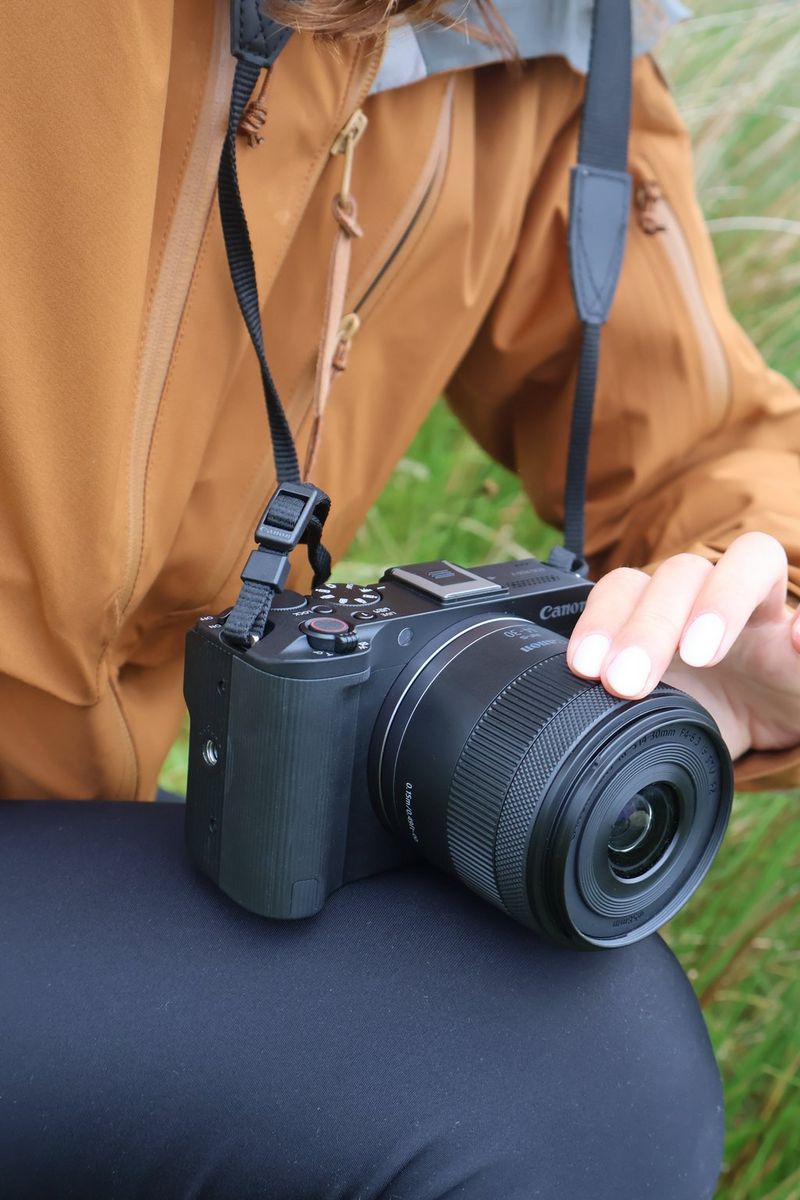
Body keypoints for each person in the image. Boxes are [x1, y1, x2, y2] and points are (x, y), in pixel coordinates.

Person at [1, 0, 798, 1196]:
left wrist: (760, 597)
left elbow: (703, 442)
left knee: (575, 1079)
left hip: (50, 844)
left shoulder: (533, 35)